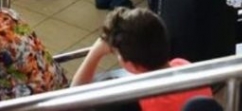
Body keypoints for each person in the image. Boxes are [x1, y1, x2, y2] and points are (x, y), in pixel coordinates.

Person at [72, 7, 214, 111]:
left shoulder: (130, 103)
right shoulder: (185, 66)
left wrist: (95, 53)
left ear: (132, 66)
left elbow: (73, 100)